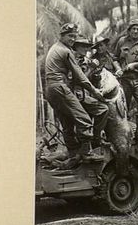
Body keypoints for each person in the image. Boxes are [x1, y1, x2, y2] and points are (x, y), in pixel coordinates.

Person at [44, 23, 105, 168]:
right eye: (70, 36)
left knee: (67, 123)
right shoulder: (65, 51)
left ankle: (72, 154)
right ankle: (86, 153)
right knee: (84, 120)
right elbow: (80, 77)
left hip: (51, 89)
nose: (72, 39)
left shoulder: (55, 48)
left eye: (74, 36)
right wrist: (95, 91)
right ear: (62, 36)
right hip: (59, 87)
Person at [114, 19, 138, 143]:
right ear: (129, 30)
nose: (135, 31)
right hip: (124, 80)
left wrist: (135, 65)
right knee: (123, 108)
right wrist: (118, 68)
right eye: (133, 29)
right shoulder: (121, 41)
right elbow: (114, 59)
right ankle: (123, 134)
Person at [72, 38, 109, 148]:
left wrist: (95, 72)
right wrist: (91, 69)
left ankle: (95, 139)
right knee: (98, 112)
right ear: (76, 47)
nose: (86, 49)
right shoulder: (72, 60)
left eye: (87, 46)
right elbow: (79, 79)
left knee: (103, 109)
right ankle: (89, 142)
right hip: (75, 95)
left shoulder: (85, 60)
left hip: (84, 95)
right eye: (83, 46)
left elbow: (89, 78)